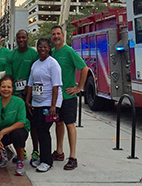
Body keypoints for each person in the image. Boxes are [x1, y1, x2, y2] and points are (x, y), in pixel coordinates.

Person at [51, 25, 89, 170]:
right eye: (54, 34)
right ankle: (59, 151)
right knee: (58, 123)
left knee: (70, 124)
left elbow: (84, 68)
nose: (56, 36)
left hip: (68, 95)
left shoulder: (69, 51)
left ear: (63, 35)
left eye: (58, 34)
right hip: (56, 97)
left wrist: (79, 87)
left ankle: (72, 156)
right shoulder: (52, 52)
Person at [26, 38, 63, 172]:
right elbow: (30, 84)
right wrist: (28, 101)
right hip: (36, 103)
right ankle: (42, 157)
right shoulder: (35, 64)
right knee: (36, 129)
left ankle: (47, 161)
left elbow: (56, 86)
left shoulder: (53, 64)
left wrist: (53, 106)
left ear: (49, 48)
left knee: (43, 130)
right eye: (40, 47)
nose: (42, 49)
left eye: (45, 47)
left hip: (49, 103)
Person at [6, 29, 39, 166]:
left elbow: (38, 72)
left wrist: (28, 90)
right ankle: (21, 150)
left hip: (32, 95)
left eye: (23, 37)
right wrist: (13, 92)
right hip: (16, 96)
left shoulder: (34, 54)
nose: (21, 40)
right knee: (19, 124)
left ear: (27, 38)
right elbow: (9, 76)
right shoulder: (11, 55)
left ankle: (36, 151)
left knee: (34, 125)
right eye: (18, 38)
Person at [0, 76, 29, 176]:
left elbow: (21, 122)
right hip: (1, 133)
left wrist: (2, 132)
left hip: (17, 130)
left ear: (12, 89)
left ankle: (20, 162)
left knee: (18, 135)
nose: (6, 89)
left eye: (9, 87)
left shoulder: (19, 102)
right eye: (3, 87)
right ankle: (5, 153)